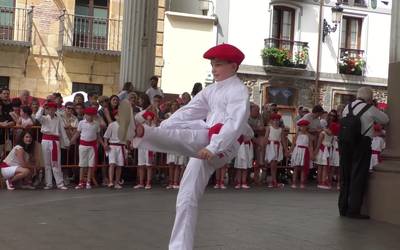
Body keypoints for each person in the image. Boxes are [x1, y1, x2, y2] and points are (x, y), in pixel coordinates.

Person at [118, 43, 250, 250]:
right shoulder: (211, 90)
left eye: (218, 65)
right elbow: (189, 110)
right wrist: (166, 125)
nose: (214, 69)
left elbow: (234, 124)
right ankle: (179, 247)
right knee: (186, 197)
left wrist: (214, 147)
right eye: (212, 65)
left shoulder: (239, 91)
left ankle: (141, 131)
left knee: (195, 135)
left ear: (233, 66)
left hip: (224, 144)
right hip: (205, 143)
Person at [338, 87, 389, 219]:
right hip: (361, 144)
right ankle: (353, 210)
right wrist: (373, 107)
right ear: (369, 98)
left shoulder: (346, 108)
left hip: (345, 144)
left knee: (346, 175)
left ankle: (342, 207)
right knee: (358, 176)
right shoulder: (369, 108)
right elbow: (385, 119)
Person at [36, 101, 70, 190]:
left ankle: (60, 183)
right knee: (47, 163)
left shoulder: (58, 119)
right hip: (45, 141)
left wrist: (66, 142)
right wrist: (42, 107)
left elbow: (62, 131)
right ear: (46, 110)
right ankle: (48, 183)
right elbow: (37, 117)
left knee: (56, 163)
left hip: (54, 141)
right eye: (49, 109)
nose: (51, 111)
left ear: (55, 110)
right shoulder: (44, 118)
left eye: (53, 109)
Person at [70, 107, 106, 189]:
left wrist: (103, 144)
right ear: (85, 115)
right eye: (87, 115)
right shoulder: (81, 123)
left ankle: (88, 181)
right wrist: (72, 140)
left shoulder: (96, 124)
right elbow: (77, 133)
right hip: (83, 146)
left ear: (94, 116)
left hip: (92, 147)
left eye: (91, 115)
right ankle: (81, 182)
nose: (89, 117)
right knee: (82, 164)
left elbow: (98, 136)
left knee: (90, 165)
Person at [103, 110, 130, 189]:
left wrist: (128, 144)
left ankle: (117, 182)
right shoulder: (112, 125)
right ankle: (111, 181)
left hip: (122, 146)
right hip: (112, 146)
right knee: (112, 164)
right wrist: (105, 144)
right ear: (115, 117)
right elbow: (106, 136)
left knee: (119, 165)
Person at [133, 110, 156, 190]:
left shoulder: (153, 125)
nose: (147, 119)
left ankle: (148, 182)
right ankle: (141, 183)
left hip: (149, 148)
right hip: (141, 147)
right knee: (141, 165)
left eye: (149, 118)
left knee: (149, 166)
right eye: (146, 117)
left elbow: (151, 134)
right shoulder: (141, 125)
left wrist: (149, 123)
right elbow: (138, 134)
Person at [264, 113, 288, 188]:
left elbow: (283, 140)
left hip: (278, 146)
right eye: (274, 120)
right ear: (271, 121)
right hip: (271, 146)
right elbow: (266, 137)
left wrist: (286, 150)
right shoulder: (269, 128)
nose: (276, 122)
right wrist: (263, 147)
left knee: (275, 164)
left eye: (277, 120)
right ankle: (273, 180)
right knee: (272, 163)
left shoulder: (281, 129)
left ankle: (274, 180)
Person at [290, 119, 313, 189]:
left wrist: (311, 154)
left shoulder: (309, 135)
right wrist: (289, 151)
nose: (303, 128)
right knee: (296, 167)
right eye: (301, 126)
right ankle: (294, 182)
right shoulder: (297, 134)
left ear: (307, 127)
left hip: (305, 152)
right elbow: (293, 144)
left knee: (303, 168)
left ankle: (302, 182)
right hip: (297, 151)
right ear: (299, 127)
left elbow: (310, 145)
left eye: (304, 126)